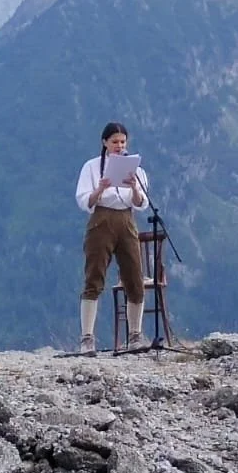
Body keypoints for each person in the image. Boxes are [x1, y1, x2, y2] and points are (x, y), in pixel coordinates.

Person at [75, 122, 148, 354]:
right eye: (115, 142)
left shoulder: (136, 169)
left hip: (126, 220)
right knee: (94, 275)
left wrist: (135, 187)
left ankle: (135, 335)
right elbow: (84, 200)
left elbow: (141, 203)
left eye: (123, 142)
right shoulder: (92, 167)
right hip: (102, 220)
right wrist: (101, 188)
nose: (119, 146)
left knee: (134, 275)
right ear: (105, 143)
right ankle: (87, 338)